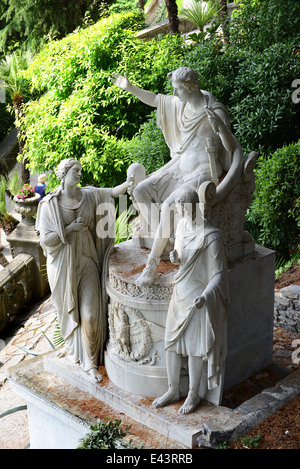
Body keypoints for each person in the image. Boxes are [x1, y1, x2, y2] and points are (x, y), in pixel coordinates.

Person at [110, 67, 239, 286]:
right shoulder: (183, 105)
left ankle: (152, 265)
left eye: (179, 89)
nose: (176, 94)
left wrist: (222, 130)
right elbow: (155, 100)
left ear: (191, 87)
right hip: (179, 165)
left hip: (202, 172)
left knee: (171, 204)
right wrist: (130, 88)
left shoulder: (214, 111)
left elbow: (233, 149)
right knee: (141, 191)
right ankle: (168, 242)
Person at [36, 158, 132, 382]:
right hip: (62, 266)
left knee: (89, 314)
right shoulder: (49, 204)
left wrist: (129, 184)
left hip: (87, 260)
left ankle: (89, 362)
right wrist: (70, 228)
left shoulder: (88, 195)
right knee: (68, 313)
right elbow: (46, 240)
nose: (79, 174)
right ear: (64, 174)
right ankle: (73, 349)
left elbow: (111, 191)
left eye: (80, 170)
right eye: (75, 171)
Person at [152, 188, 229, 414]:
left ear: (194, 206)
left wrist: (206, 296)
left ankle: (193, 393)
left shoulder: (211, 236)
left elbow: (218, 274)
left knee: (195, 349)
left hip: (198, 297)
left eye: (185, 207)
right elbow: (180, 257)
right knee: (171, 345)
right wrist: (175, 258)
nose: (182, 212)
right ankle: (173, 389)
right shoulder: (182, 226)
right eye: (180, 208)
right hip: (180, 292)